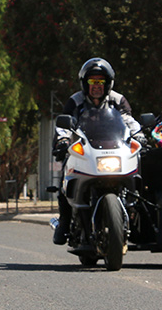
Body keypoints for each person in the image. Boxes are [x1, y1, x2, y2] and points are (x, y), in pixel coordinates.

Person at [52, 57, 142, 245]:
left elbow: (129, 121)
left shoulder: (118, 100)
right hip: (85, 150)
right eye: (92, 81)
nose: (96, 86)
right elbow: (64, 124)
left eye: (101, 81)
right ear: (85, 83)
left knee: (139, 176)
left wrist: (139, 135)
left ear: (108, 83)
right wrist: (62, 140)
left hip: (114, 149)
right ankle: (64, 222)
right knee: (65, 180)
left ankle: (136, 218)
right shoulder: (75, 101)